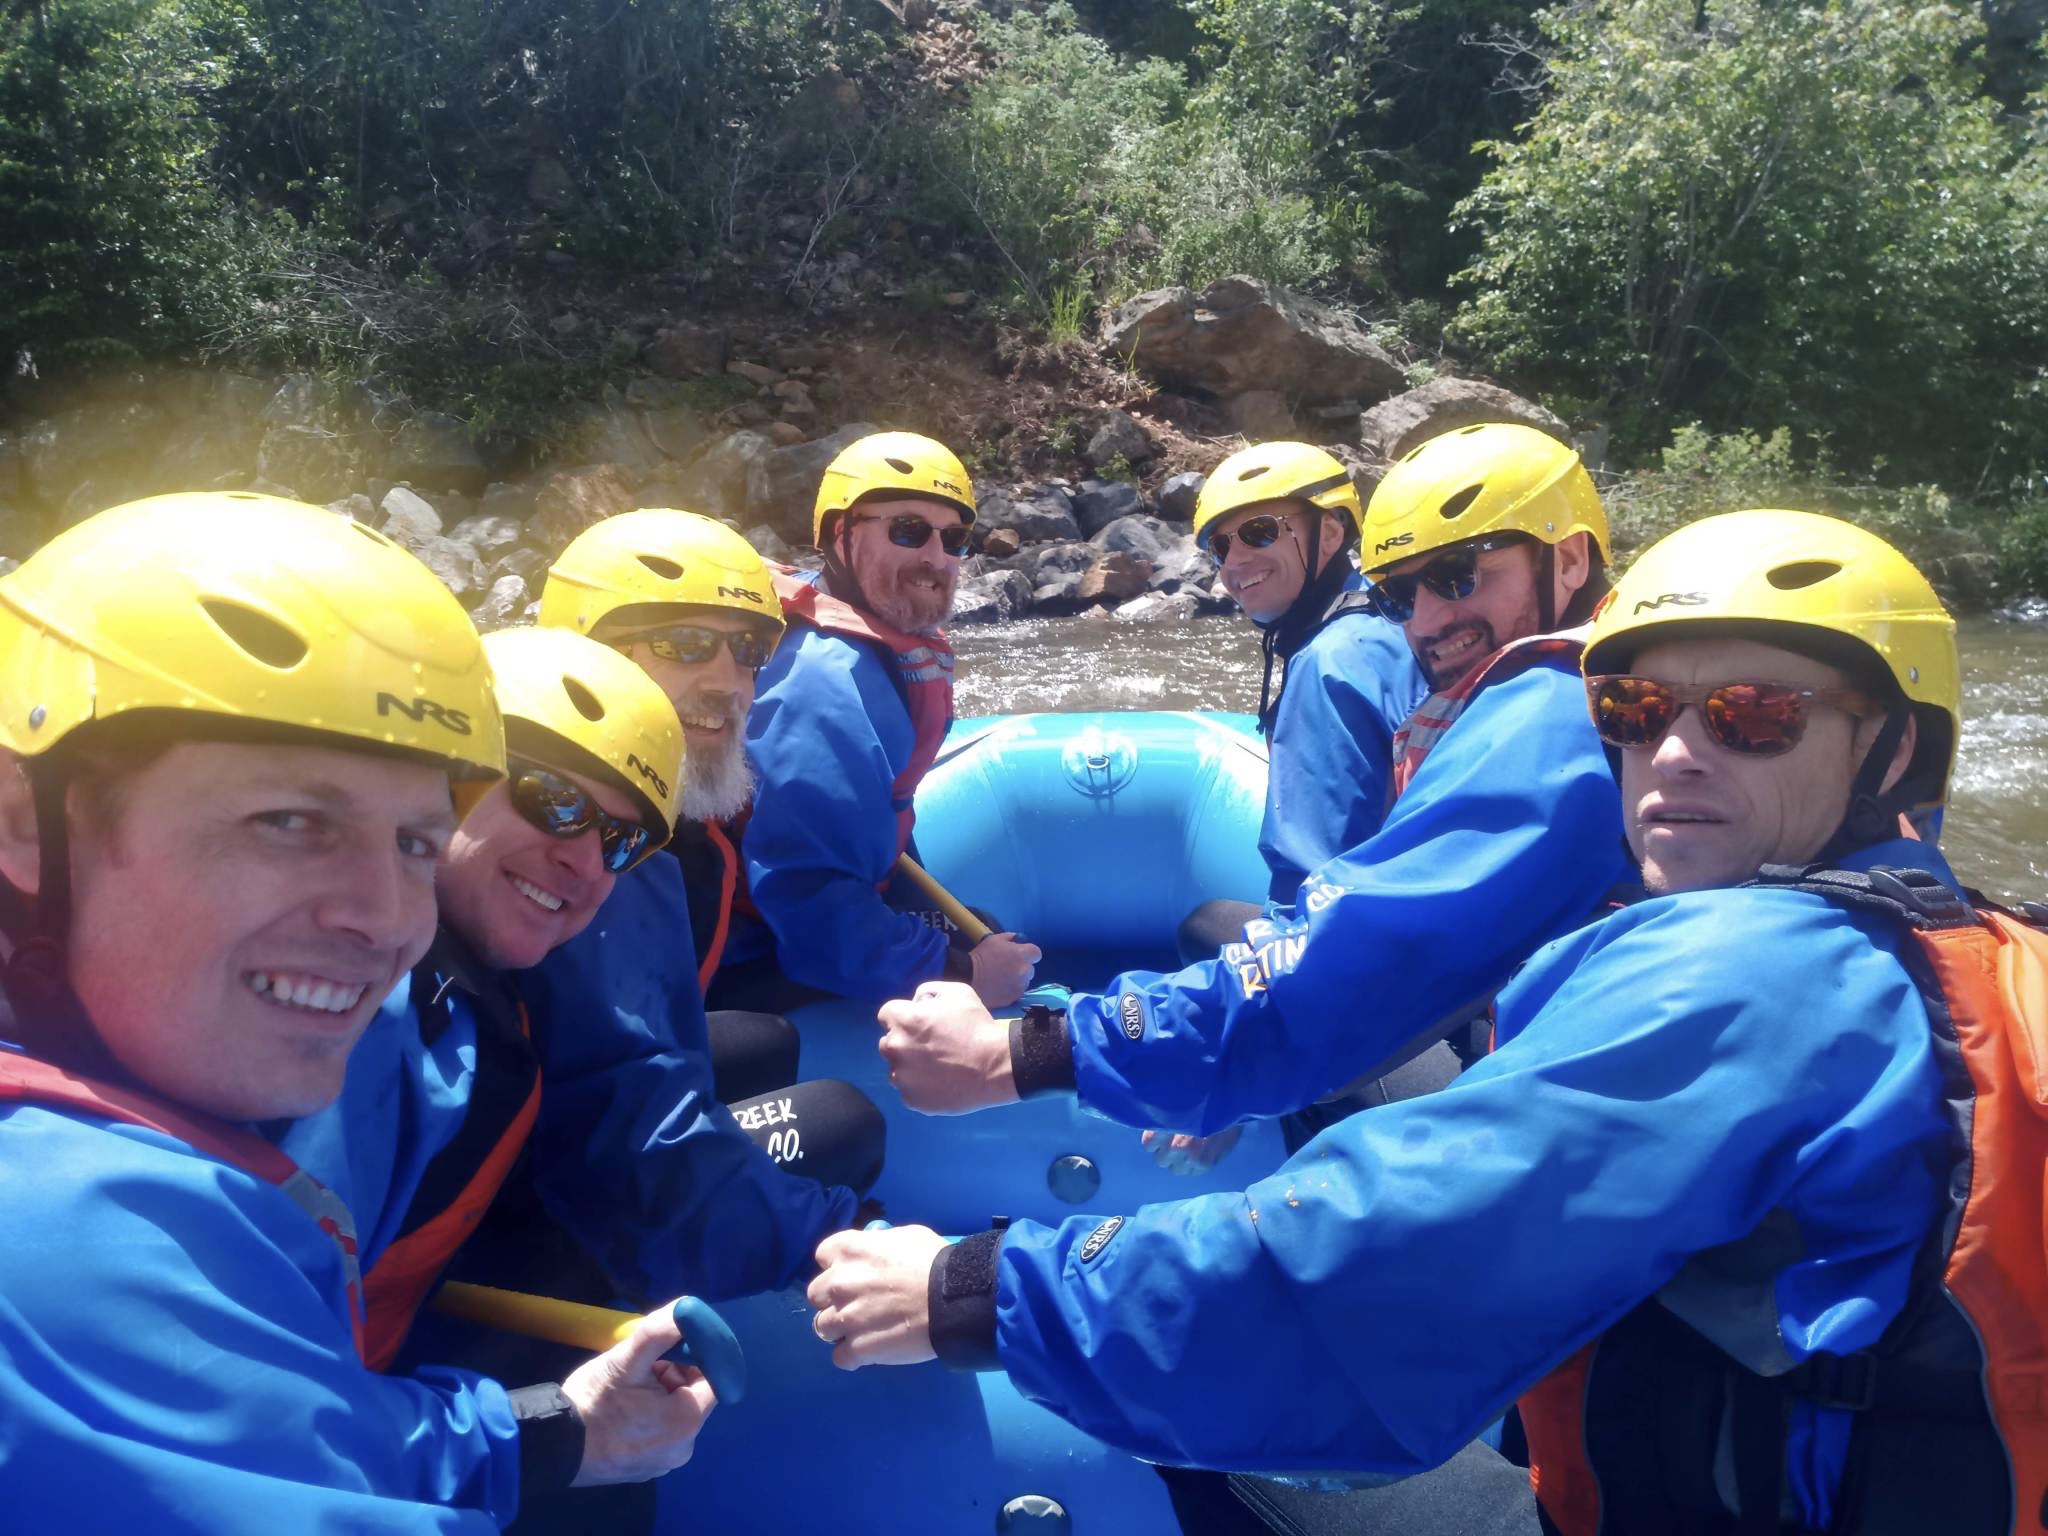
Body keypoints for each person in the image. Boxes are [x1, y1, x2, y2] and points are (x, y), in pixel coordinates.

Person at [809, 508, 2022, 1536]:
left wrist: (971, 1287)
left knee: (1215, 1442)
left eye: (1754, 717)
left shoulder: (1752, 980)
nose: (1674, 756)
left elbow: (1353, 1268)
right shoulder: (1960, 940)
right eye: (1639, 709)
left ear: (1895, 751)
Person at [0, 493, 715, 1530]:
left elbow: (284, 1435)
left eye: (414, 843)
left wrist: (543, 1431)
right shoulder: (70, 1244)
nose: (387, 921)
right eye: (286, 820)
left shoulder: (153, 1078)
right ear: (22, 821)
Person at [869, 422, 1624, 1156]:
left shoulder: (1536, 714)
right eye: (1402, 594)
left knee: (1234, 961)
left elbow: (1344, 940)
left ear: (1568, 560)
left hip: (1523, 1076)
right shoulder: (1583, 684)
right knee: (1214, 925)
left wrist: (1030, 1054)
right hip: (1514, 1004)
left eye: (1459, 576)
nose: (1426, 620)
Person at [731, 430, 1040, 1008]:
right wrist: (963, 975)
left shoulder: (871, 643)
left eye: (954, 538)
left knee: (984, 925)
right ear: (837, 536)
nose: (935, 557)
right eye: (908, 530)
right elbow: (810, 904)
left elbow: (878, 816)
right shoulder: (824, 686)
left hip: (812, 904)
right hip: (760, 943)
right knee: (988, 952)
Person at [1177, 441, 1428, 956]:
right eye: (1221, 547)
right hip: (1416, 918)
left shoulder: (1327, 662)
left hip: (1366, 952)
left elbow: (1312, 886)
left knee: (1202, 929)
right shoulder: (1391, 621)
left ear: (1331, 532)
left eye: (1259, 532)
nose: (1235, 561)